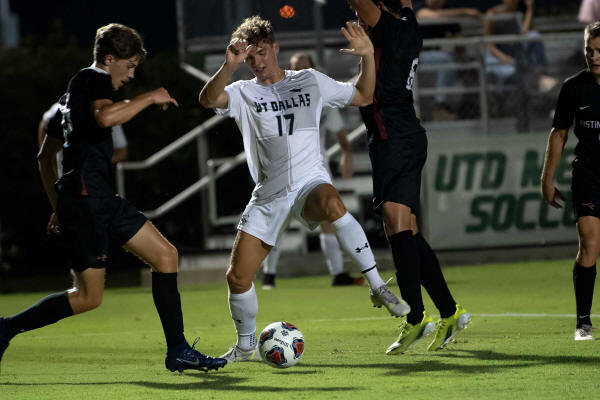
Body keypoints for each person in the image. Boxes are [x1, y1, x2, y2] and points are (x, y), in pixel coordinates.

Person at [0, 23, 227, 374]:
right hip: (86, 200)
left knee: (165, 256)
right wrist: (150, 97)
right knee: (88, 297)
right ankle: (6, 328)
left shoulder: (71, 96)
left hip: (96, 199)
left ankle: (179, 351)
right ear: (109, 59)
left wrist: (58, 204)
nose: (132, 74)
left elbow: (45, 156)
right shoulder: (94, 78)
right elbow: (105, 117)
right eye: (130, 65)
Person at [199, 15, 410, 362]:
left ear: (275, 48)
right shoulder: (242, 91)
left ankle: (377, 286)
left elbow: (363, 95)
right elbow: (208, 100)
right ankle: (246, 346)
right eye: (250, 57)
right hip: (268, 196)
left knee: (333, 203)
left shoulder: (309, 80)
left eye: (262, 53)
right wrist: (229, 65)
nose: (257, 62)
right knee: (237, 278)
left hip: (308, 184)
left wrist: (367, 56)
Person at [348, 0, 470, 354]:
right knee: (406, 232)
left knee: (397, 226)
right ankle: (450, 312)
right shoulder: (408, 23)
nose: (358, 18)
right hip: (400, 136)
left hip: (395, 139)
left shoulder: (388, 26)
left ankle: (416, 317)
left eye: (362, 14)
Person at [261, 52, 364, 290]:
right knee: (280, 218)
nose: (300, 71)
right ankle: (269, 274)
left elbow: (340, 133)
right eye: (295, 67)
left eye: (304, 67)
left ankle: (338, 273)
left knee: (327, 216)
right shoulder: (279, 96)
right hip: (286, 167)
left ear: (313, 70)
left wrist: (346, 154)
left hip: (317, 167)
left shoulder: (322, 98)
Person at [541, 21, 600, 341]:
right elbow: (559, 133)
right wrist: (546, 178)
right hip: (588, 175)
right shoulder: (574, 87)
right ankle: (583, 324)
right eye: (589, 50)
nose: (594, 56)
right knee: (589, 242)